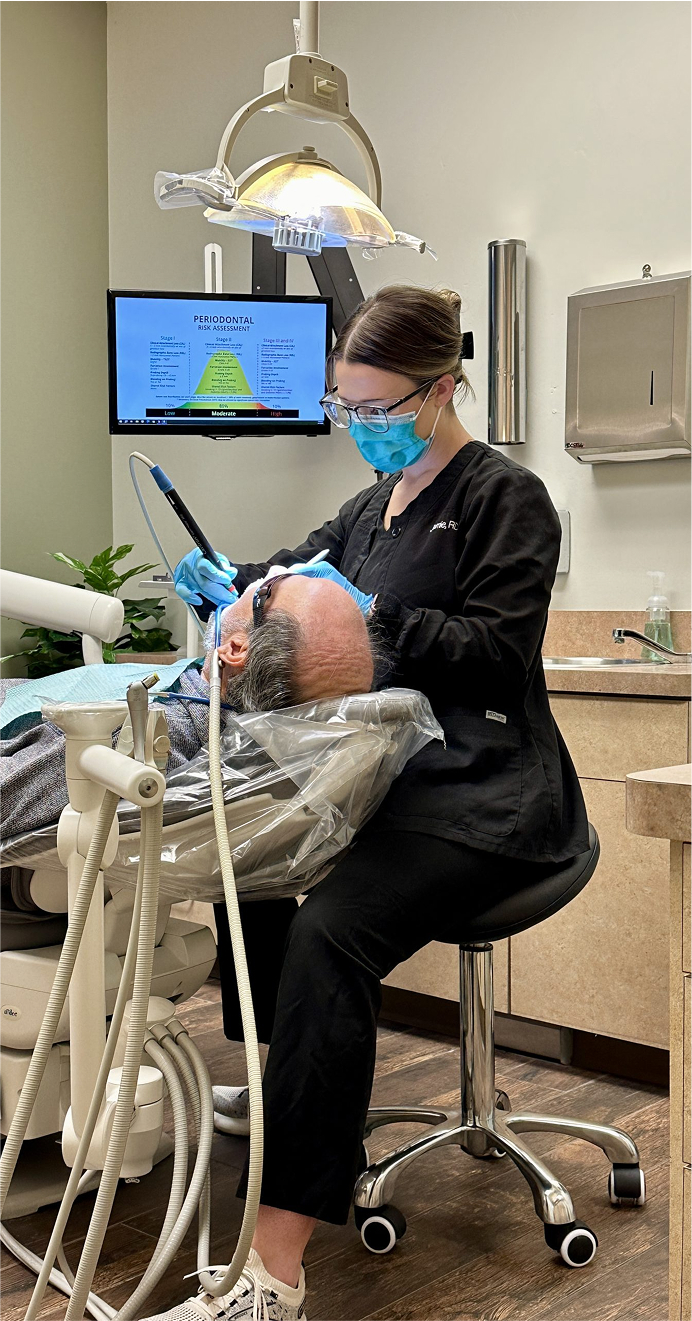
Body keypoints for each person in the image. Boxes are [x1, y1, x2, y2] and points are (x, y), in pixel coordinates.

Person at [146, 285, 589, 1321]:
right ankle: (292, 1092)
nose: (364, 430)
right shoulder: (367, 510)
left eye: (380, 409)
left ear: (440, 390)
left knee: (329, 938)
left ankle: (271, 1276)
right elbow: (292, 574)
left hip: (489, 800)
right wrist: (235, 588)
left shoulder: (502, 497)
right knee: (245, 869)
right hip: (383, 787)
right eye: (348, 409)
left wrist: (372, 610)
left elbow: (492, 656)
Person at [0, 573, 376, 839]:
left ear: (236, 649)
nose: (255, 583)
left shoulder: (139, 734)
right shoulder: (200, 702)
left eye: (266, 589)